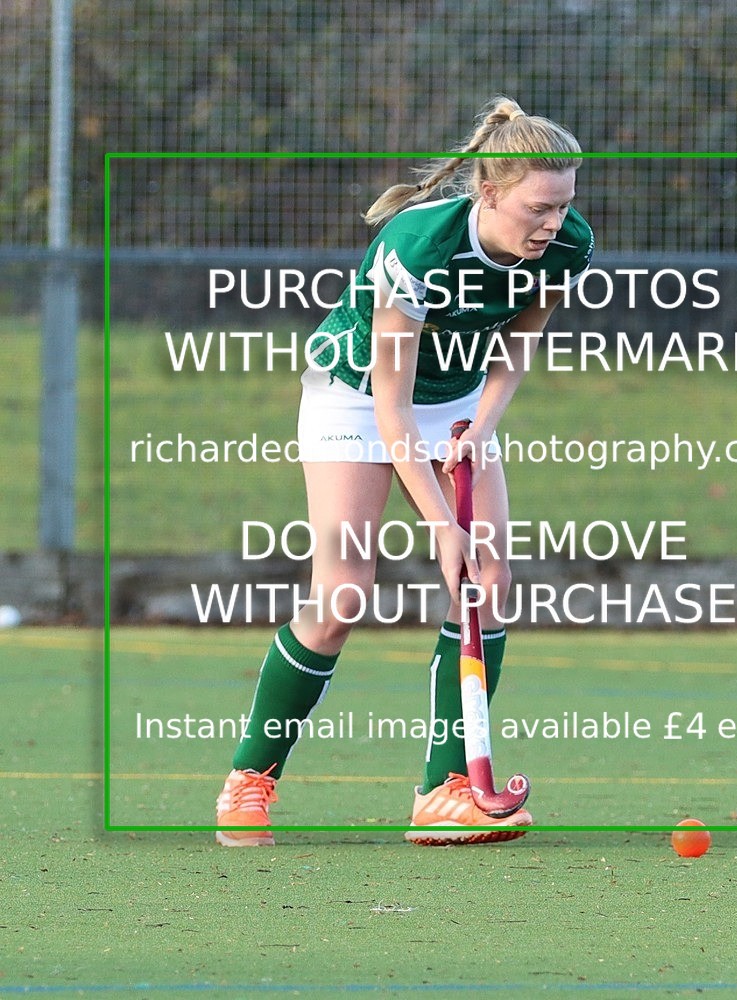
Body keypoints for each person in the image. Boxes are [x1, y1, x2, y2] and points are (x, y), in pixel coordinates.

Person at [215, 96, 594, 847]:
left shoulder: (566, 246)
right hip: (356, 396)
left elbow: (517, 344)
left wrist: (482, 427)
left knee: (488, 580)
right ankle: (249, 778)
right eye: (538, 208)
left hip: (454, 401)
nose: (553, 223)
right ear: (488, 191)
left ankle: (446, 790)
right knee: (342, 595)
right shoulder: (419, 246)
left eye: (562, 206)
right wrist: (442, 524)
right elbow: (390, 408)